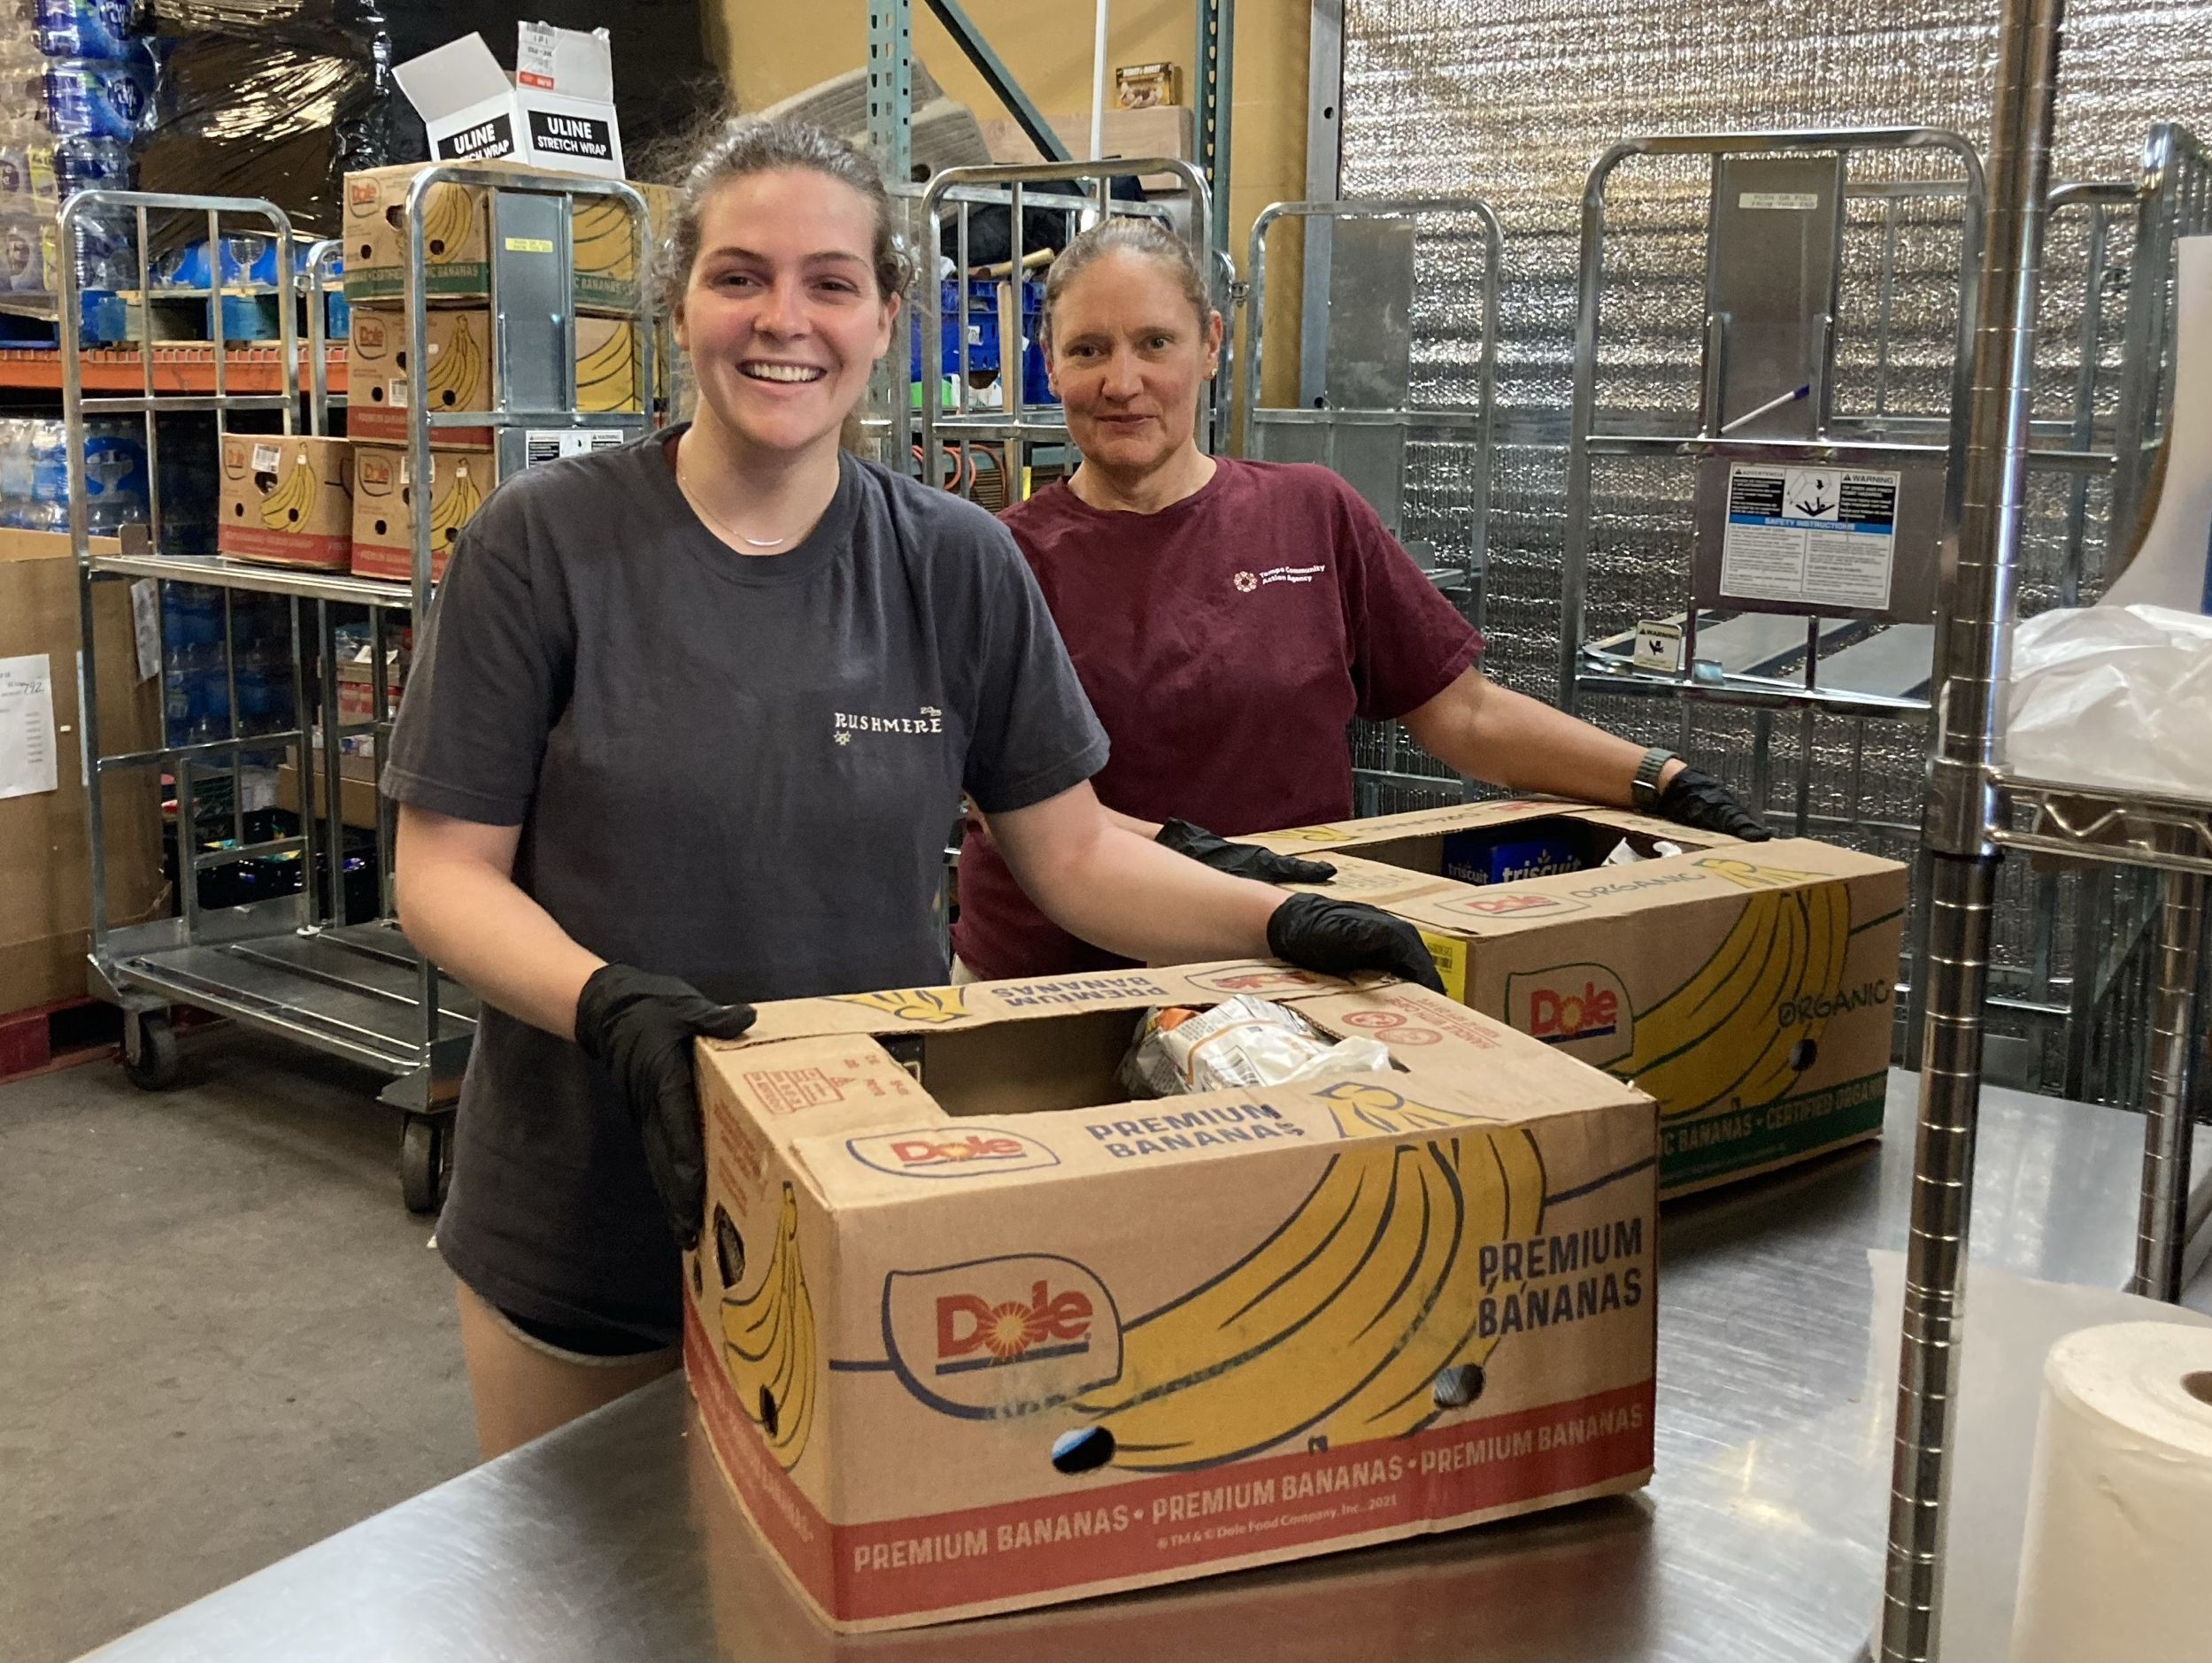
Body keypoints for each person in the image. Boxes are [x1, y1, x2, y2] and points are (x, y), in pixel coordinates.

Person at [382, 119, 1439, 1461]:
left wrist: (1280, 925)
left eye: (830, 282)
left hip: (872, 1194)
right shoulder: (542, 545)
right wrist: (607, 1004)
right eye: (739, 276)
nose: (785, 320)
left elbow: (1069, 856)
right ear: (679, 304)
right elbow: (443, 872)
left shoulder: (955, 562)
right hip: (588, 1196)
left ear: (886, 314)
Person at [951, 218, 1771, 983]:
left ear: (1210, 346)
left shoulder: (1310, 512)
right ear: (1050, 363)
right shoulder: (1000, 558)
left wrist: (1658, 779)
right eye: (1089, 349)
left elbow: (1466, 716)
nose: (1122, 382)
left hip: (1293, 972)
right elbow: (1014, 810)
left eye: (1154, 343)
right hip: (1053, 984)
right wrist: (1198, 855)